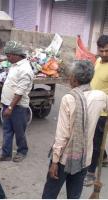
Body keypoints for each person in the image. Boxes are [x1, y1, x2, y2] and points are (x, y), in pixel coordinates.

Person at [42, 60, 108, 199]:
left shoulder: (69, 99)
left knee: (49, 194)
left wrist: (54, 162)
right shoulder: (101, 97)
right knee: (74, 196)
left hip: (63, 159)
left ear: (74, 79)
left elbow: (62, 135)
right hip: (84, 158)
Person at [0, 41, 34, 163]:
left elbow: (20, 92)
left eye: (9, 56)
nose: (8, 58)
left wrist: (10, 107)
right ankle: (6, 154)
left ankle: (22, 151)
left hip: (18, 107)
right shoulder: (15, 65)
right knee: (7, 130)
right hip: (8, 104)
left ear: (17, 55)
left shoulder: (25, 70)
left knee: (19, 131)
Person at [84, 34, 108, 186]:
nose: (104, 54)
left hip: (103, 112)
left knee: (95, 141)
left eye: (107, 51)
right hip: (92, 106)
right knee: (95, 139)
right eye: (102, 50)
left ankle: (91, 173)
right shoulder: (98, 60)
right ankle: (104, 157)